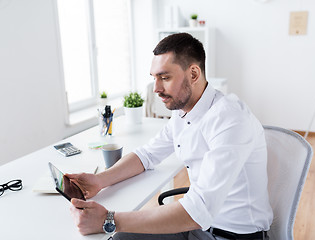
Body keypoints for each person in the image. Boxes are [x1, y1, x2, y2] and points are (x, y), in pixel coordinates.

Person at [67, 33, 273, 240]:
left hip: (231, 235)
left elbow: (198, 209)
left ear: (193, 74)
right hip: (197, 228)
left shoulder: (230, 118)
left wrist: (108, 219)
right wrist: (99, 180)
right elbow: (147, 155)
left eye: (165, 78)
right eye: (154, 78)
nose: (156, 88)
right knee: (120, 238)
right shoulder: (183, 111)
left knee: (116, 231)